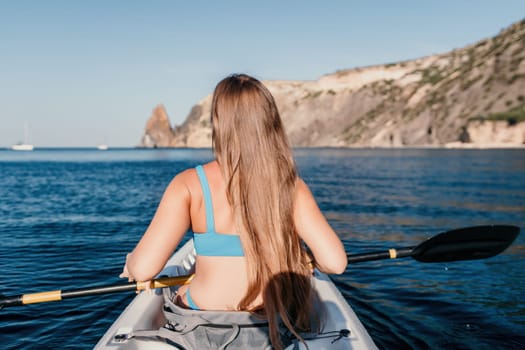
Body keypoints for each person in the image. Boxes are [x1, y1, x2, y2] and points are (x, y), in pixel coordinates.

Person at [120, 73, 347, 349]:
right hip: (270, 328)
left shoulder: (189, 184)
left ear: (219, 123)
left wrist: (132, 262)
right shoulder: (291, 186)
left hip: (201, 329)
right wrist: (301, 258)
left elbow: (144, 270)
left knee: (179, 293)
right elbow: (336, 263)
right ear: (269, 121)